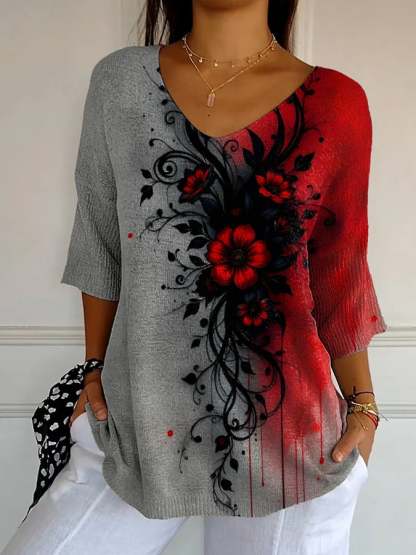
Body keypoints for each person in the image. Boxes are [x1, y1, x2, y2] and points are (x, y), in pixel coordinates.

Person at [1, 0, 387, 554]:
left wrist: (364, 404)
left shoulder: (336, 103)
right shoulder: (120, 84)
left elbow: (339, 269)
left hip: (291, 447)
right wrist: (93, 368)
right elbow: (100, 240)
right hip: (134, 434)